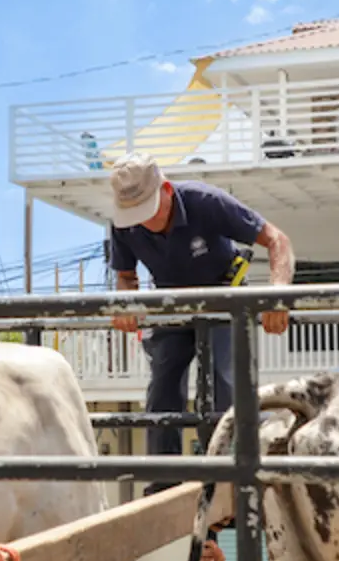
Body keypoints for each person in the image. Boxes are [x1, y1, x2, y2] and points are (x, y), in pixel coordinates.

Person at [107, 152, 295, 496]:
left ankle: (225, 476)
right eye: (134, 215)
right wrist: (125, 303)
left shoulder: (205, 202)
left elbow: (277, 239)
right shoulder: (123, 224)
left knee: (222, 386)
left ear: (166, 190)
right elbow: (126, 275)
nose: (143, 222)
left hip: (223, 296)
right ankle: (164, 482)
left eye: (147, 210)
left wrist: (277, 295)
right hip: (170, 302)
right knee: (162, 388)